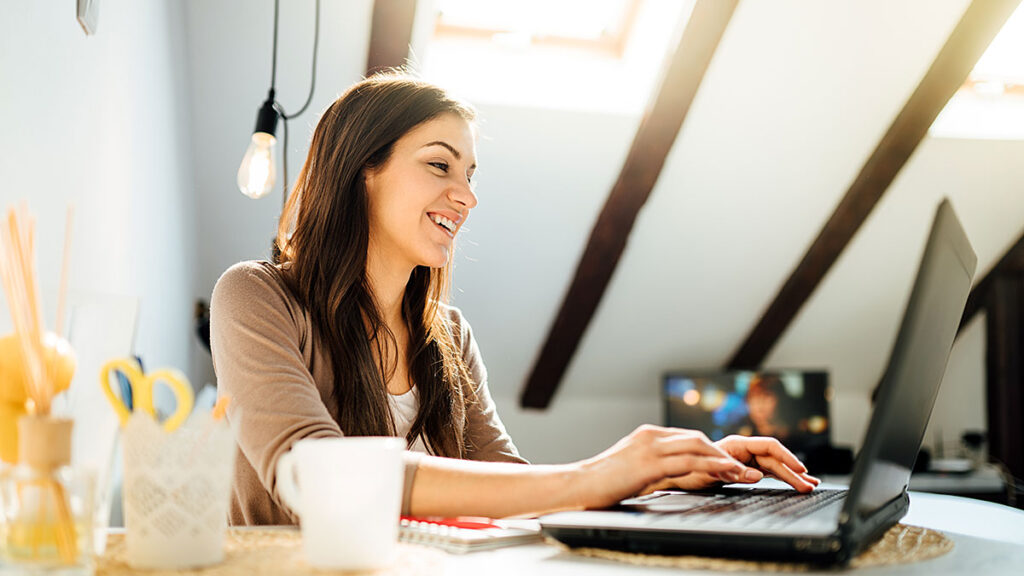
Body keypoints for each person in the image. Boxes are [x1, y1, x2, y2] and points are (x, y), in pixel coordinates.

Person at [210, 72, 819, 526]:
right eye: (440, 166)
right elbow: (315, 475)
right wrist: (600, 473)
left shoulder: (448, 335)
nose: (465, 196)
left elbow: (513, 491)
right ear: (362, 168)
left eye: (469, 175)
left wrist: (665, 478)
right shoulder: (256, 297)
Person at [735, 375, 791, 440]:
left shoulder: (795, 435)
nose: (759, 405)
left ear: (780, 399)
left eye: (766, 395)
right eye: (754, 396)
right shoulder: (741, 437)